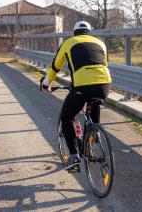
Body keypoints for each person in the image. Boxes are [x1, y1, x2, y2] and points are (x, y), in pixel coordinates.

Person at [40, 21, 112, 172]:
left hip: (82, 86)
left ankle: (73, 157)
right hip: (104, 84)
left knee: (66, 118)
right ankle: (94, 136)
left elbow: (55, 67)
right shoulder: (100, 43)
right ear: (89, 32)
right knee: (94, 104)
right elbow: (103, 64)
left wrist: (46, 84)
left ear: (75, 33)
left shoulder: (69, 43)